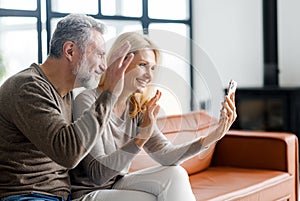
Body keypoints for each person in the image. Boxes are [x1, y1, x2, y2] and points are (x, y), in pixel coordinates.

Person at [70, 31, 237, 201]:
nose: (149, 76)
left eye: (152, 68)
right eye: (142, 65)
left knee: (175, 173)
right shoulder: (88, 100)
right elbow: (98, 174)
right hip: (88, 193)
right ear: (121, 62)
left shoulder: (136, 108)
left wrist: (213, 136)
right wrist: (140, 138)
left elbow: (166, 154)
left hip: (117, 184)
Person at [0, 14, 134, 201]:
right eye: (100, 55)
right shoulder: (28, 87)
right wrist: (109, 94)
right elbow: (68, 153)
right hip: (26, 196)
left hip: (60, 196)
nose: (104, 66)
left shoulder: (66, 93)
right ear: (70, 51)